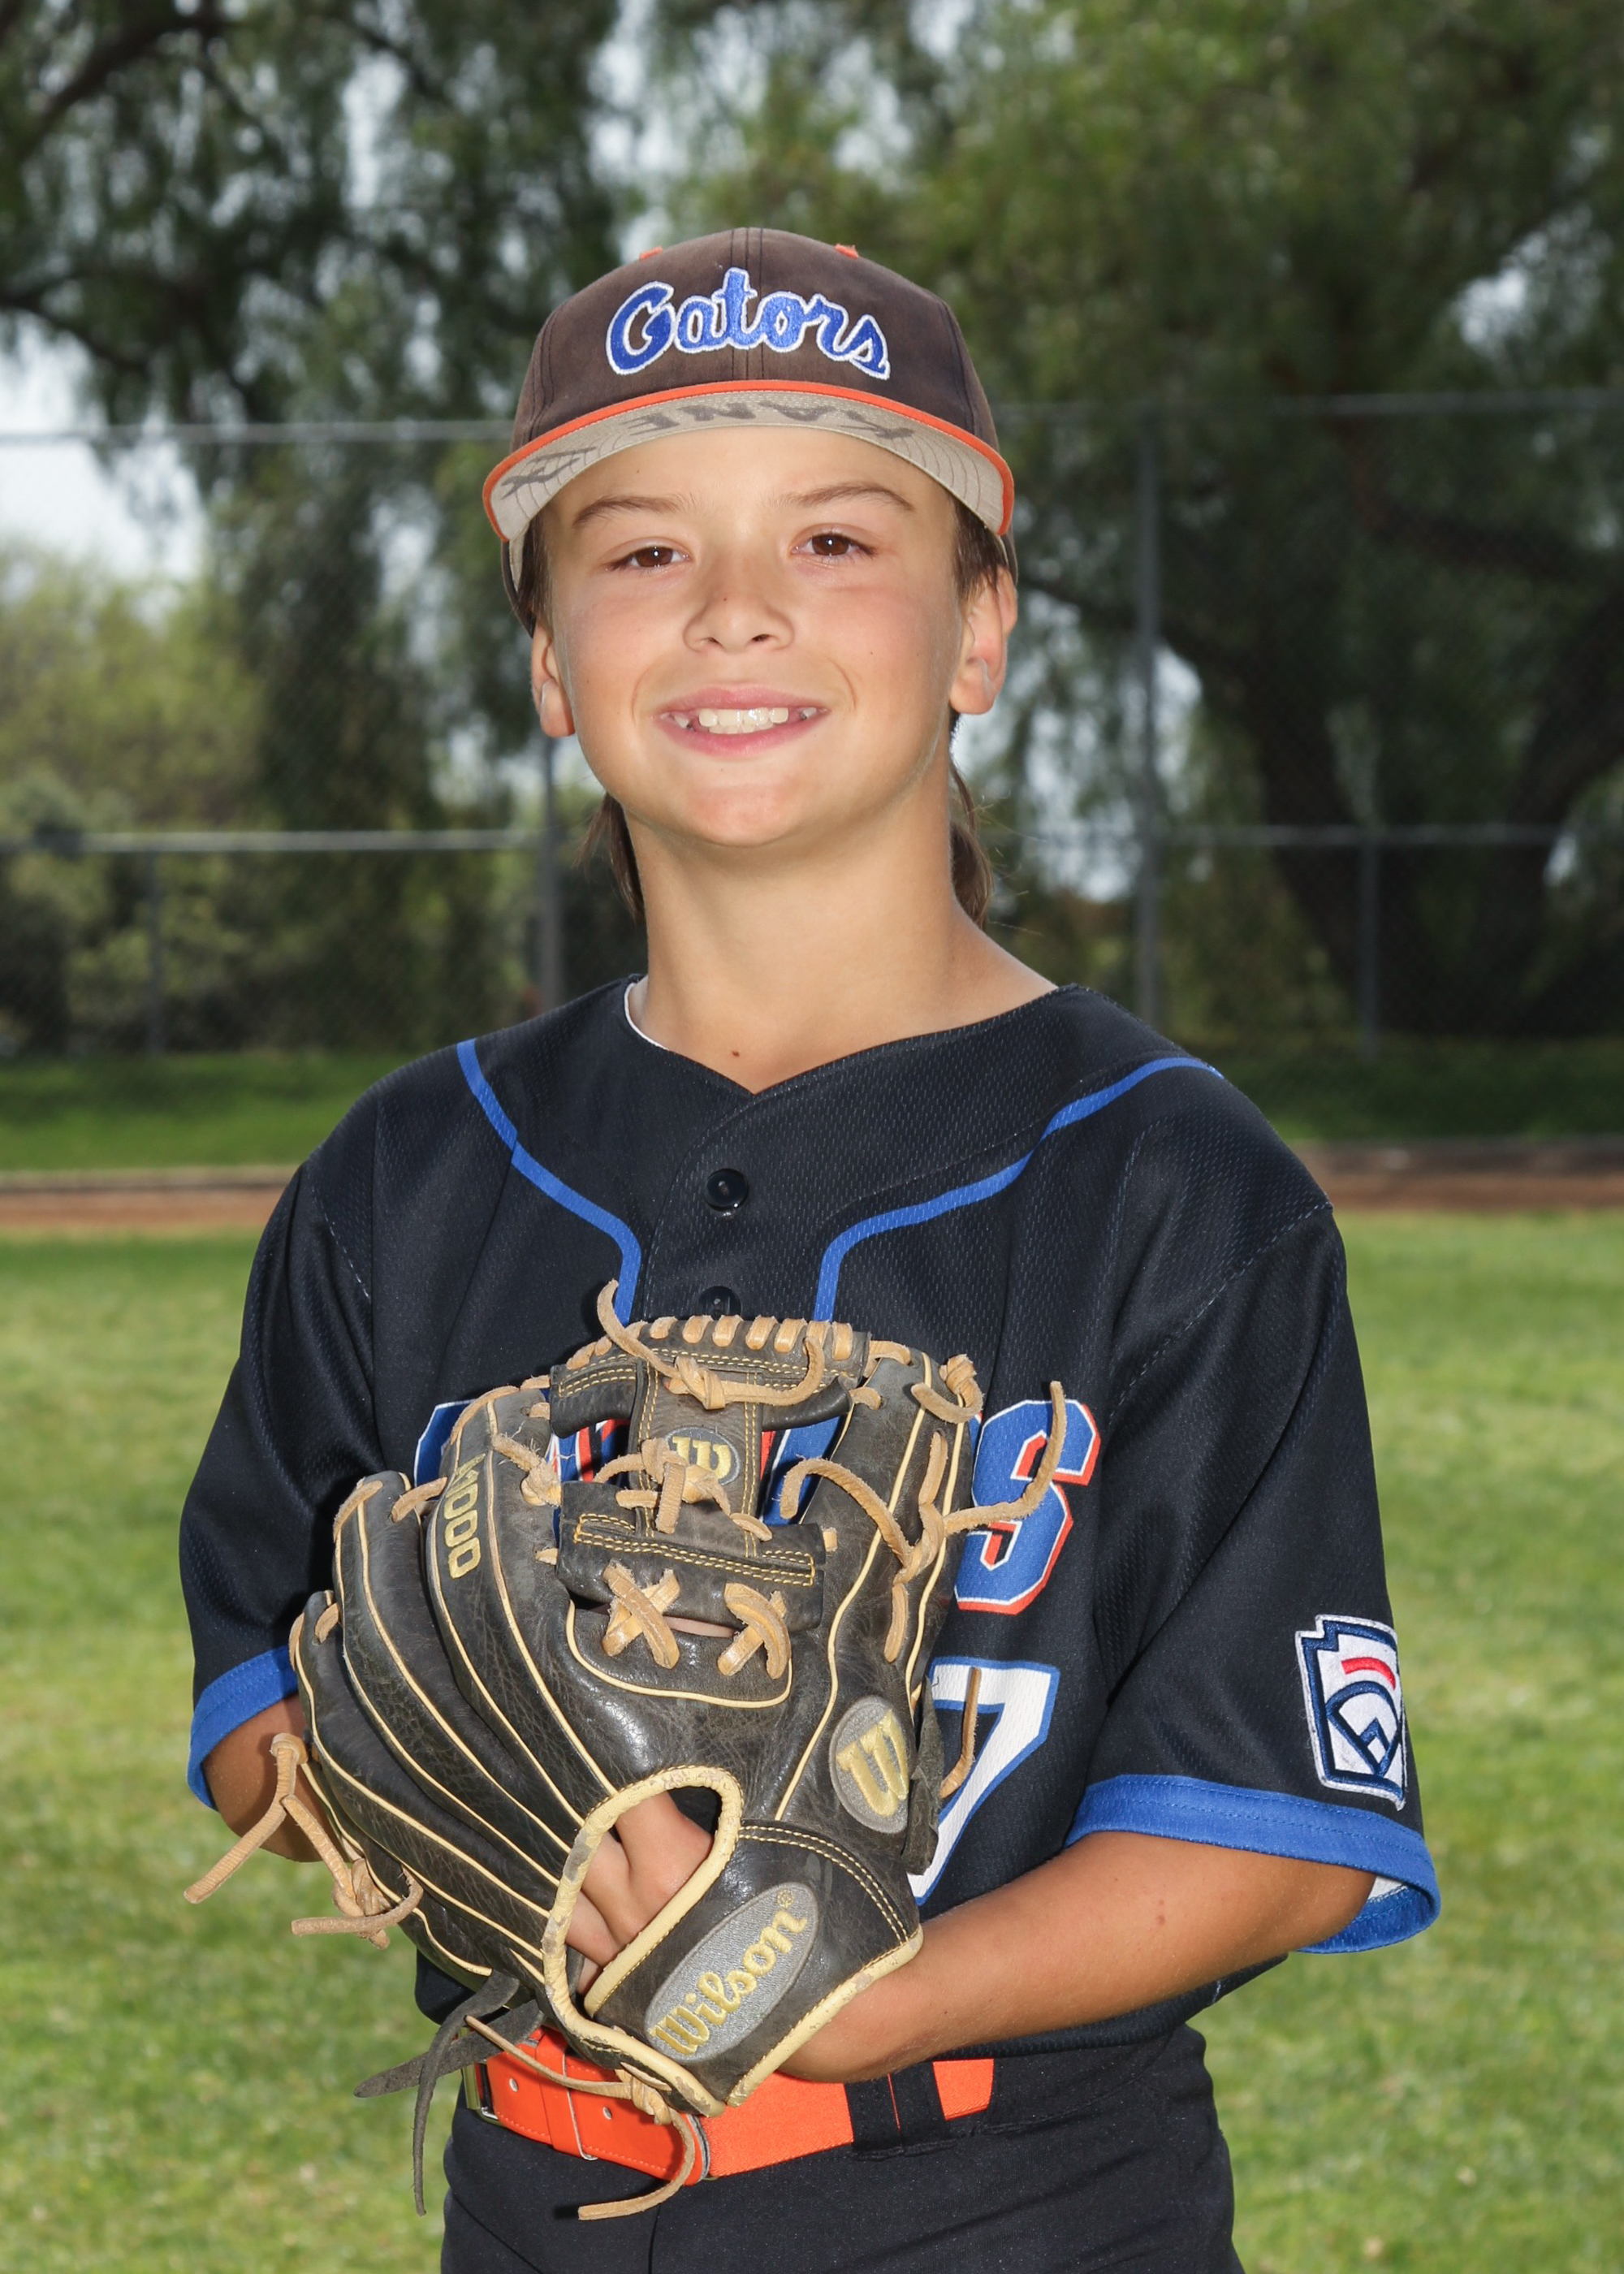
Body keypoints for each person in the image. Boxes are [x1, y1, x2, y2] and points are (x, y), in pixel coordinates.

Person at [182, 229, 1437, 2272]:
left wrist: (873, 1997)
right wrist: (459, 1787)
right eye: (643, 551)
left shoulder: (1174, 1185)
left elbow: (1269, 1826)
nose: (737, 606)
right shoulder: (407, 1173)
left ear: (979, 634)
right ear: (549, 664)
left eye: (838, 538)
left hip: (1018, 2198)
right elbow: (264, 1695)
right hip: (533, 2196)